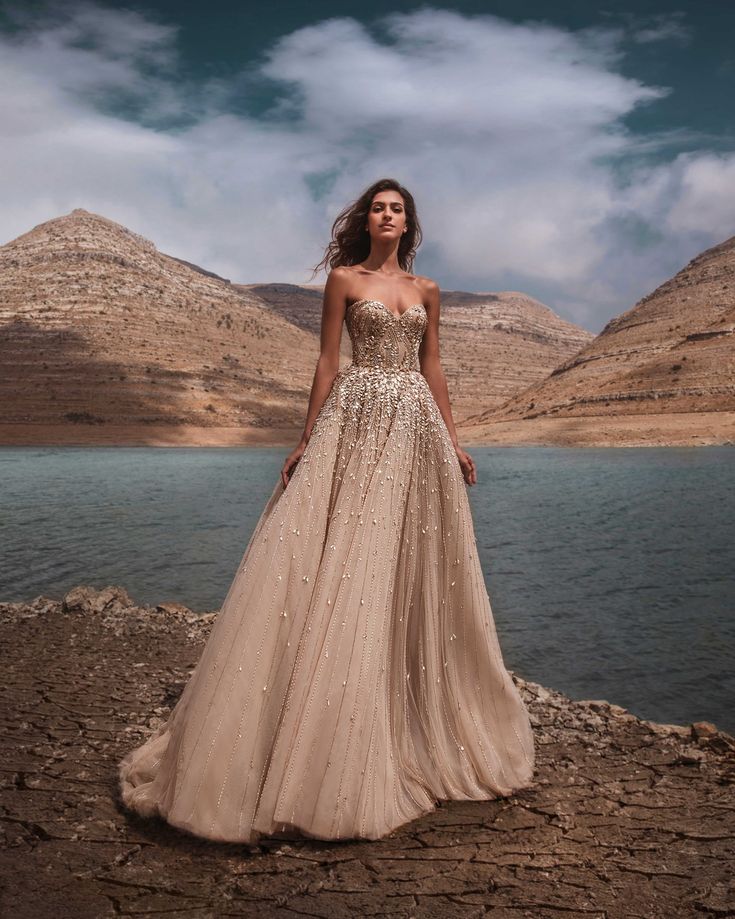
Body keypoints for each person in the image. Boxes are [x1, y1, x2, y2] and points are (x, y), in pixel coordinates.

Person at [118, 177, 535, 843]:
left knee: (404, 560)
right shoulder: (343, 280)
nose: (387, 215)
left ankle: (401, 718)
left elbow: (433, 367)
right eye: (378, 206)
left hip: (414, 429)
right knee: (346, 555)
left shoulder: (427, 292)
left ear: (410, 224)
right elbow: (325, 361)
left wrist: (454, 441)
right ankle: (319, 735)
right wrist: (306, 437)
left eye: (397, 208)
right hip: (357, 420)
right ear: (366, 220)